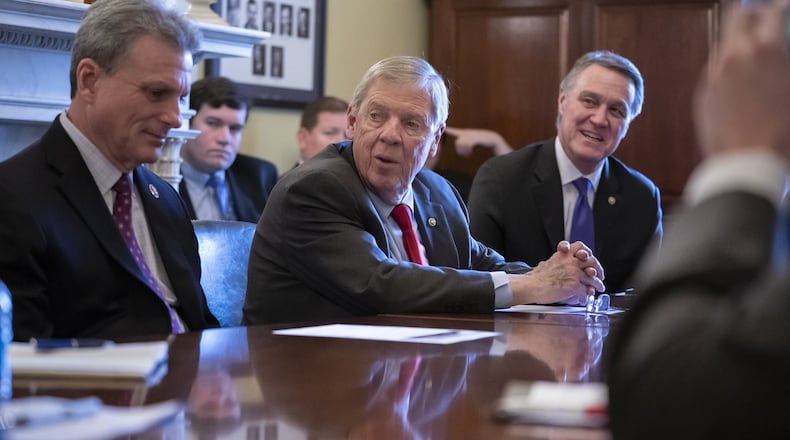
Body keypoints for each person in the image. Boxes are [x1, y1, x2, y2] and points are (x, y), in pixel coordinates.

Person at [242, 55, 605, 325]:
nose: (389, 134)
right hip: (305, 382)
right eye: (376, 116)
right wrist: (532, 287)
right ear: (352, 123)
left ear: (435, 142)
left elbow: (477, 262)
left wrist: (558, 278)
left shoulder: (436, 191)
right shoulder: (313, 189)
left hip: (405, 370)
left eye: (412, 123)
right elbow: (381, 283)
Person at [608, 0, 790, 437]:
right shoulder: (506, 175)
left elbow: (671, 392)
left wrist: (742, 160)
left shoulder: (638, 191)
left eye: (616, 109)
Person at [0, 0, 218, 341]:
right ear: (89, 80)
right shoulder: (12, 197)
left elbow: (202, 324)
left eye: (180, 98)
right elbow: (23, 359)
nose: (175, 118)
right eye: (157, 93)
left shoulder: (166, 201)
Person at [467, 50, 662, 293]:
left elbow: (643, 294)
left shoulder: (641, 197)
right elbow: (479, 276)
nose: (600, 119)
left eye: (616, 110)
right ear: (562, 101)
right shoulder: (501, 179)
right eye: (589, 101)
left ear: (628, 124)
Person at [179, 76, 278, 223]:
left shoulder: (260, 175)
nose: (224, 139)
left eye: (235, 128)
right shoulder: (159, 179)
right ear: (186, 124)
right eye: (213, 123)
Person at [296, 95, 349, 165]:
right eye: (330, 133)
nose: (342, 142)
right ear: (303, 138)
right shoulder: (291, 176)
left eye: (348, 135)